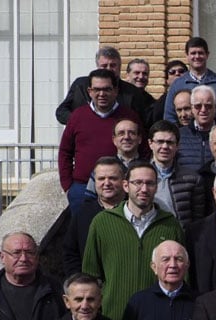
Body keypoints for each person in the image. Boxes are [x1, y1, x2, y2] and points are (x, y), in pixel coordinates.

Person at [82, 160, 185, 320]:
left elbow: (183, 276)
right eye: (137, 183)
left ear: (156, 187)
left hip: (158, 319)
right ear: (125, 185)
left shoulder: (170, 225)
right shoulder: (102, 222)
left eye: (149, 183)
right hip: (113, 319)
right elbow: (90, 275)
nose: (144, 189)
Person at [58, 69, 143, 215]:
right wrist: (68, 186)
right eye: (97, 89)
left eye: (107, 89)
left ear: (115, 91)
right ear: (90, 91)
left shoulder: (129, 117)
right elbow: (65, 151)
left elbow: (143, 149)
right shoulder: (78, 116)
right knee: (83, 228)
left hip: (118, 189)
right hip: (81, 188)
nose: (102, 94)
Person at [55, 46, 154, 126]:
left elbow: (141, 122)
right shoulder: (80, 85)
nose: (108, 69)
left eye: (113, 65)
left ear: (120, 67)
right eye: (104, 65)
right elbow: (61, 112)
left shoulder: (132, 92)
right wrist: (81, 121)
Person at [63, 157, 128, 276]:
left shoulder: (134, 212)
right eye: (101, 178)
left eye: (113, 178)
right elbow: (70, 253)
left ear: (124, 182)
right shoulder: (82, 213)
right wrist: (79, 280)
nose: (106, 183)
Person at [147, 120, 208, 224]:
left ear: (177, 146)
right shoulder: (138, 177)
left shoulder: (193, 179)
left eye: (170, 142)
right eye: (160, 142)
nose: (165, 147)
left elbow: (198, 220)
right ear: (150, 143)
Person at [163, 37, 216, 126]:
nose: (197, 56)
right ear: (187, 56)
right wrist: (181, 133)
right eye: (193, 53)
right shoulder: (177, 85)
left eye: (200, 53)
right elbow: (169, 116)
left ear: (207, 55)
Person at [176, 85, 216, 174]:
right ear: (192, 108)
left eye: (208, 106)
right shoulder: (178, 136)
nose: (203, 110)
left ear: (215, 108)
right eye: (198, 106)